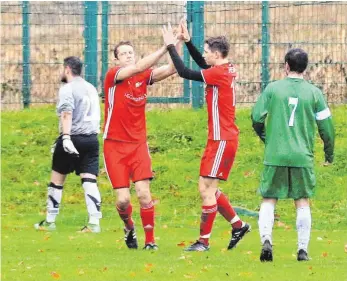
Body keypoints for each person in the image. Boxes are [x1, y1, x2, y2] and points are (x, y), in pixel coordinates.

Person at [162, 21, 250, 252]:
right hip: (218, 139)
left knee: (207, 190)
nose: (204, 54)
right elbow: (202, 65)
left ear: (217, 54)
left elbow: (184, 72)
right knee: (206, 188)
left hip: (223, 139)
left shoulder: (220, 72)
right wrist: (189, 42)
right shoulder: (223, 68)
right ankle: (238, 226)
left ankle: (204, 242)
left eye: (207, 51)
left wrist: (172, 46)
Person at [251, 48, 335, 262]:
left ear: (286, 66)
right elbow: (327, 129)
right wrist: (328, 153)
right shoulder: (314, 93)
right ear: (305, 68)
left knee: (269, 198)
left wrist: (266, 139)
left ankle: (267, 240)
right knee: (302, 201)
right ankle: (302, 250)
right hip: (302, 156)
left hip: (275, 155)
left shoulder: (273, 89)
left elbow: (256, 118)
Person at [103, 39, 179, 250]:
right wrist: (164, 47)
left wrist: (176, 43)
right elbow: (138, 67)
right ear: (116, 58)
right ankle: (129, 228)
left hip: (138, 144)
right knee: (123, 201)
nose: (128, 55)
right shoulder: (113, 76)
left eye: (131, 52)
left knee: (144, 194)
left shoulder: (144, 76)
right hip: (114, 146)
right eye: (123, 53)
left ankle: (150, 242)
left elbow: (173, 68)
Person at [35, 56, 102, 233]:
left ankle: (50, 220)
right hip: (91, 139)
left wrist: (65, 137)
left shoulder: (67, 88)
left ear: (67, 69)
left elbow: (67, 113)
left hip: (73, 137)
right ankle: (94, 222)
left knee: (57, 179)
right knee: (89, 180)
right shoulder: (91, 88)